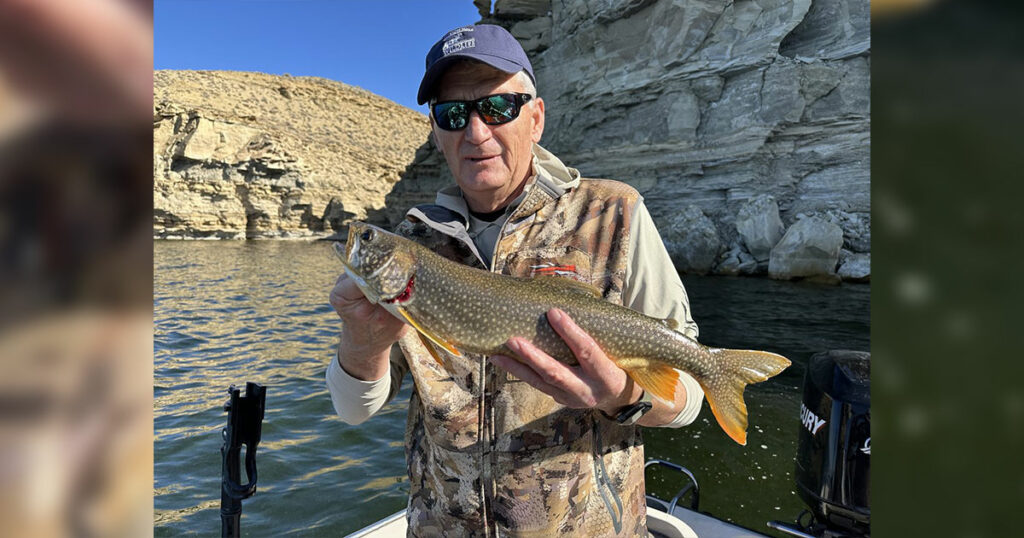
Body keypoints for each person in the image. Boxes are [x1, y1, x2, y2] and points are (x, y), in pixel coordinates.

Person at [327, 24, 703, 537]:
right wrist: (362, 343)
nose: (476, 132)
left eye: (498, 108)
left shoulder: (616, 214)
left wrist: (621, 395)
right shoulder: (413, 245)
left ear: (536, 117)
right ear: (436, 133)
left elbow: (689, 395)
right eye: (453, 114)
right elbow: (353, 412)